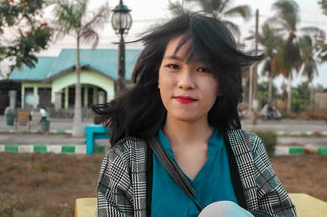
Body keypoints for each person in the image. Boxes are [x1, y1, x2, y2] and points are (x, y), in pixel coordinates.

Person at [93, 13, 297, 216]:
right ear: (157, 76)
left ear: (221, 84)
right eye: (174, 66)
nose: (186, 82)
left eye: (203, 69)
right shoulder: (124, 159)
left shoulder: (248, 149)